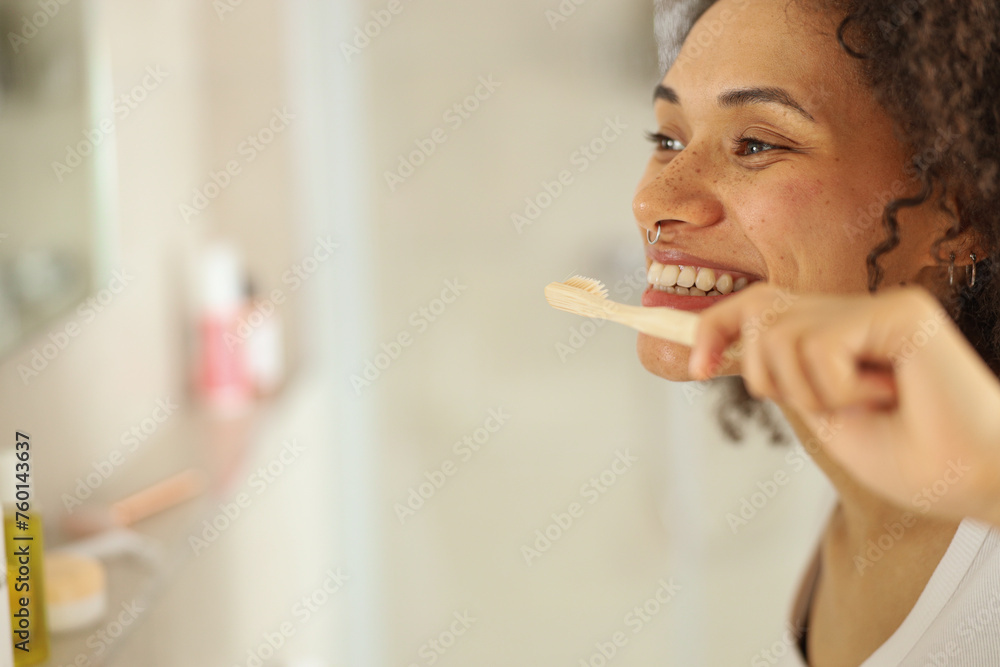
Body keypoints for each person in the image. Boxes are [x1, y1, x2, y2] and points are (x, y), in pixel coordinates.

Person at [635, 0, 1000, 664]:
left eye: (756, 144)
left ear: (955, 214)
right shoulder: (840, 516)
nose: (655, 200)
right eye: (668, 139)